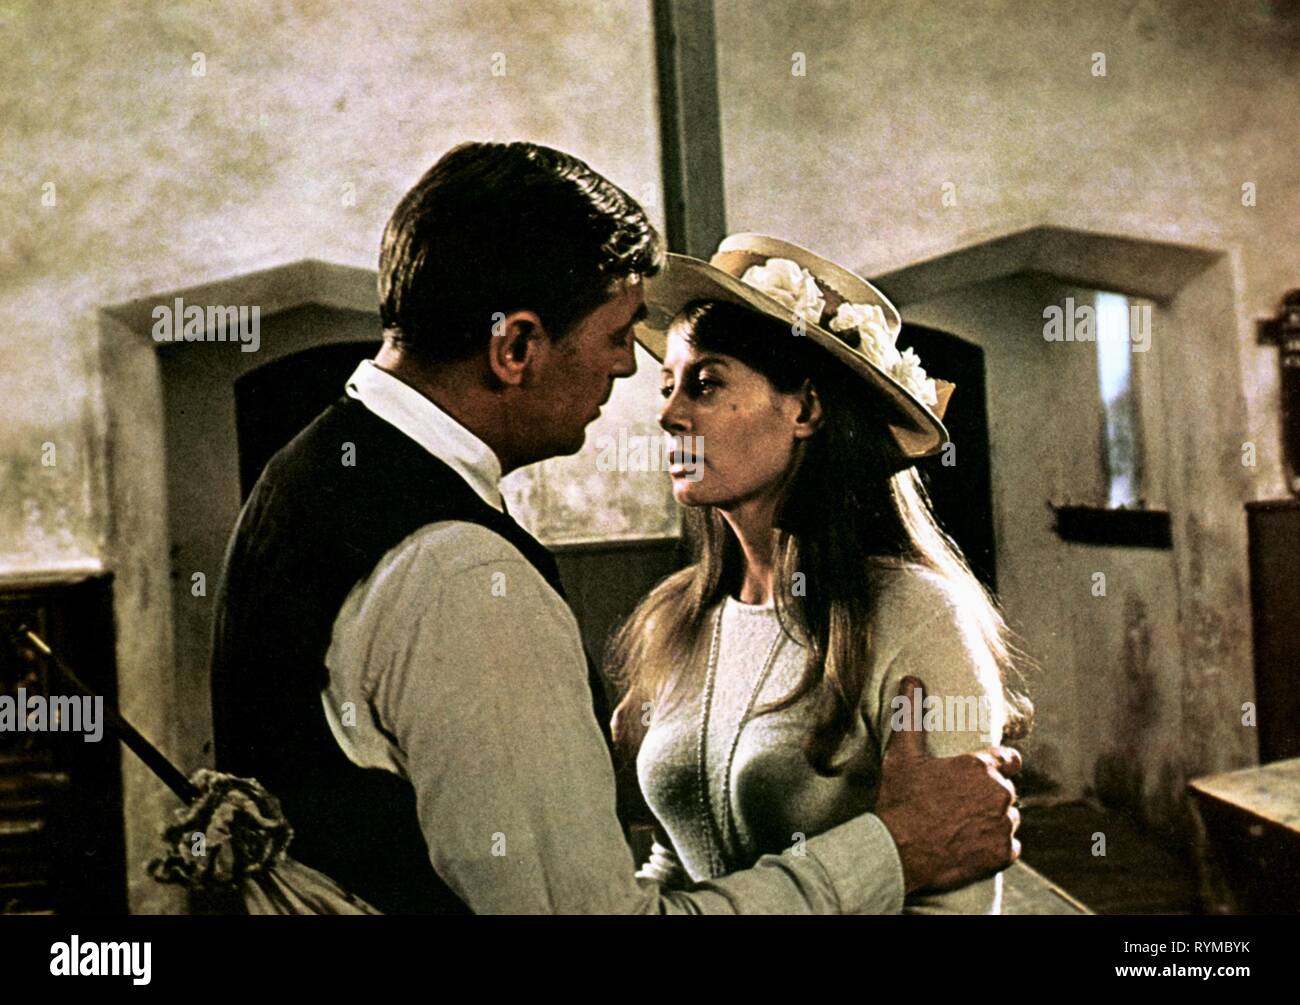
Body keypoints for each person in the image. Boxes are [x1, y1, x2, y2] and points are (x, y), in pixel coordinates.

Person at [209, 142, 1022, 914]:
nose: (645, 390)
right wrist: (889, 850)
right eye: (623, 346)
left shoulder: (307, 476)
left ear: (807, 407)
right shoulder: (525, 587)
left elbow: (958, 874)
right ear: (515, 346)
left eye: (704, 383)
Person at [609, 235, 1033, 912]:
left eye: (706, 384)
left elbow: (958, 896)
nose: (668, 414)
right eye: (668, 386)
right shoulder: (675, 617)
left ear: (805, 409)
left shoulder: (916, 614)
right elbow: (673, 856)